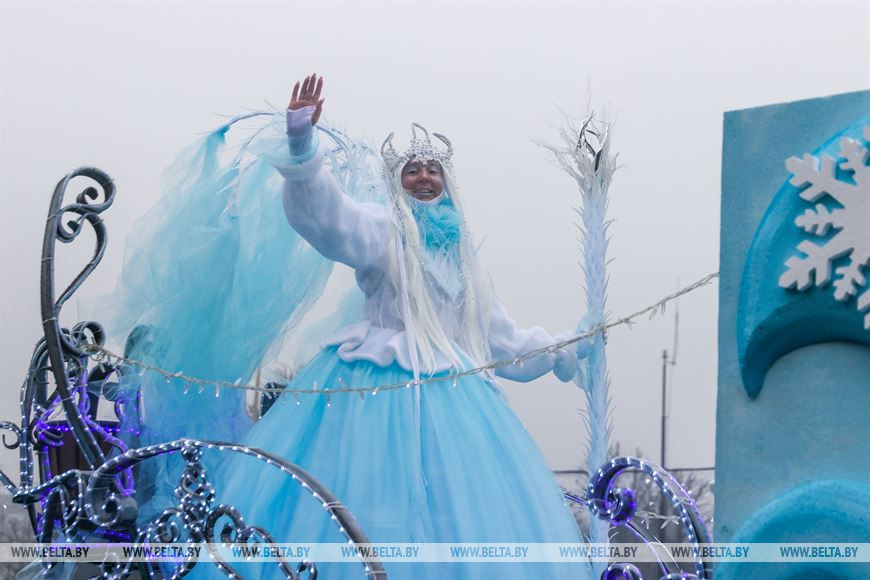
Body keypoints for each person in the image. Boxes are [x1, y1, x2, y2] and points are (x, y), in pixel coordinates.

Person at [182, 74, 594, 579]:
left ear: (447, 181)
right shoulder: (382, 228)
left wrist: (566, 348)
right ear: (396, 181)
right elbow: (329, 219)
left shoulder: (465, 260)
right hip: (376, 388)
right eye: (412, 170)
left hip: (454, 399)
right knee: (366, 496)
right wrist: (302, 142)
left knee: (452, 510)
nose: (423, 178)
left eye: (432, 170)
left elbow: (502, 340)